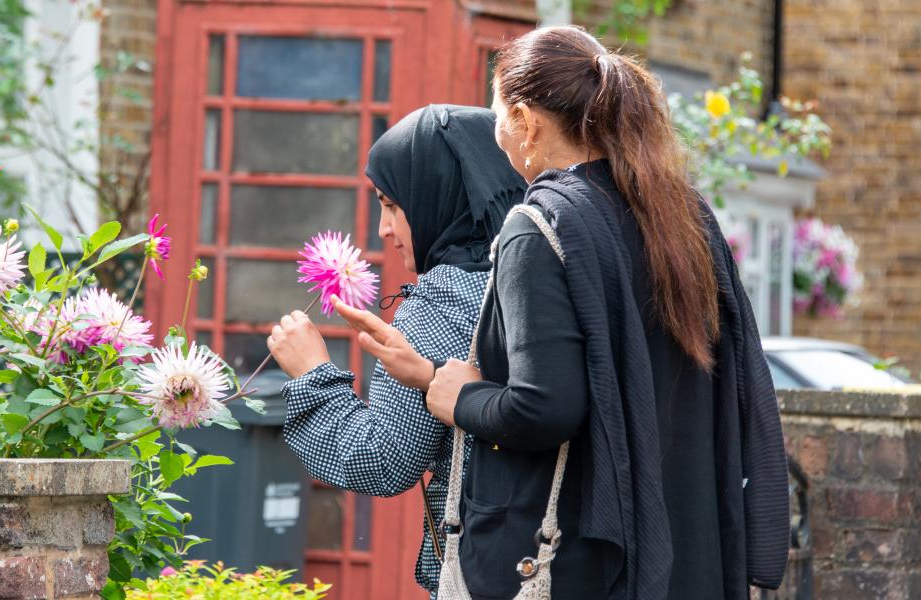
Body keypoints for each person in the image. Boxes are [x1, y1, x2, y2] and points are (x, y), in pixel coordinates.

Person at [409, 26, 788, 598]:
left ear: (526, 120)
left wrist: (457, 396)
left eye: (496, 112)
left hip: (579, 563)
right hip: (687, 547)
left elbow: (544, 407)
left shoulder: (536, 228)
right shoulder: (683, 216)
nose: (494, 130)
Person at [264, 104, 527, 594]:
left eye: (392, 204)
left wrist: (312, 373)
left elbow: (381, 460)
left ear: (437, 195)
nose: (384, 229)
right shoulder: (534, 273)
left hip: (483, 565)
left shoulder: (445, 297)